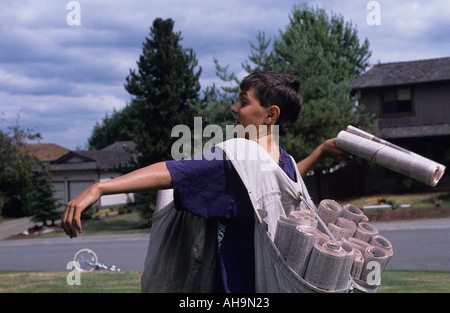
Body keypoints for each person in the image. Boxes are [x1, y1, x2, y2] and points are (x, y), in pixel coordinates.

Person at [61, 72, 348, 293]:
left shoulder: (235, 158)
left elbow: (173, 171)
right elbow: (275, 189)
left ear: (270, 114)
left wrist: (98, 187)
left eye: (244, 102)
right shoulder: (282, 161)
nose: (234, 108)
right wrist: (319, 153)